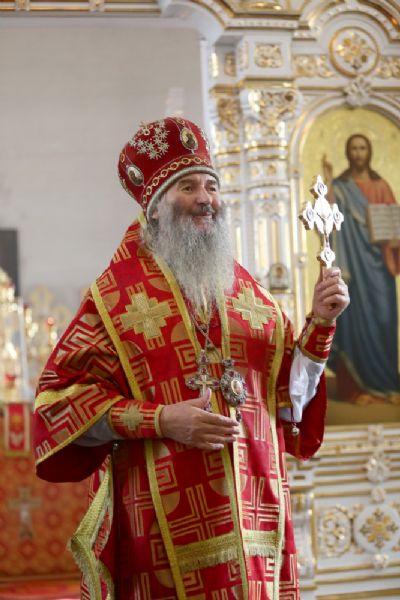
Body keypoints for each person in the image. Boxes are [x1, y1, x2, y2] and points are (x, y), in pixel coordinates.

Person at [34, 117, 349, 600]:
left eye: (212, 186)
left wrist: (321, 325)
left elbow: (289, 403)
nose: (206, 199)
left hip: (257, 521)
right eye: (188, 187)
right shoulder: (115, 299)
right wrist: (161, 419)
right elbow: (57, 403)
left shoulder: (253, 297)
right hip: (159, 526)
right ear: (156, 208)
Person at [323, 133, 400, 405]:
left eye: (362, 148)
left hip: (381, 270)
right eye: (354, 148)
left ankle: (388, 385)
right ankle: (355, 390)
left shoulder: (382, 186)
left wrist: (395, 239)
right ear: (348, 152)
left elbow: (394, 225)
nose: (358, 153)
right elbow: (329, 222)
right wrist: (328, 182)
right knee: (355, 324)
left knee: (384, 321)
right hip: (353, 269)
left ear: (369, 152)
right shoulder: (341, 187)